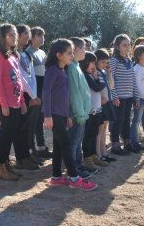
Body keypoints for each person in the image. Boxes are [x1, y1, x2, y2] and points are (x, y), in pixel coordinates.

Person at [44, 39, 97, 191]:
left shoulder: (63, 70)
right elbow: (46, 93)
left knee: (59, 146)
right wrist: (47, 116)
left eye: (73, 52)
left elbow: (65, 96)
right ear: (59, 55)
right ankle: (74, 179)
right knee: (66, 144)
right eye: (69, 53)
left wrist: (67, 115)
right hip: (53, 114)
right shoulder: (53, 70)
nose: (72, 56)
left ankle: (56, 178)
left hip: (61, 114)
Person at [0, 24, 27, 181]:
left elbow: (19, 80)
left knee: (12, 132)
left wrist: (23, 101)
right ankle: (0, 166)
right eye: (10, 35)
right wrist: (3, 103)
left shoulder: (14, 55)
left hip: (16, 101)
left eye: (15, 34)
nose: (14, 37)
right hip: (7, 102)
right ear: (2, 37)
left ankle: (6, 164)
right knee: (5, 134)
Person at [67, 37, 96, 179]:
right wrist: (79, 114)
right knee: (73, 143)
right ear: (77, 50)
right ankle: (72, 169)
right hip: (77, 114)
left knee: (78, 142)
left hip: (82, 114)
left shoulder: (76, 66)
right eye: (84, 48)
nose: (86, 51)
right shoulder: (71, 68)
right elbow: (74, 93)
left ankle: (79, 165)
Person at [15, 25, 43, 168]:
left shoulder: (27, 54)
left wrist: (35, 95)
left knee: (28, 127)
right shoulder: (14, 55)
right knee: (21, 128)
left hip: (32, 94)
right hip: (23, 95)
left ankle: (27, 155)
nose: (28, 36)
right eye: (25, 33)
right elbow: (20, 78)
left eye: (28, 34)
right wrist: (32, 95)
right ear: (17, 35)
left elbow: (32, 77)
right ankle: (20, 158)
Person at [109, 34, 140, 155]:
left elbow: (133, 80)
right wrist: (114, 96)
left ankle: (127, 143)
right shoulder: (114, 61)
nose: (127, 47)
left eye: (128, 45)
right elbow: (109, 79)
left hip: (129, 97)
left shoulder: (129, 61)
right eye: (124, 45)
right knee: (118, 120)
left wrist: (136, 97)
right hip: (119, 97)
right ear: (117, 47)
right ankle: (115, 146)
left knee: (127, 120)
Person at [26, 27, 53, 159]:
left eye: (43, 35)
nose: (42, 38)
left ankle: (41, 148)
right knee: (32, 121)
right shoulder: (27, 52)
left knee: (40, 120)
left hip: (43, 90)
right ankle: (31, 151)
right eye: (38, 35)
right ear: (31, 38)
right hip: (34, 91)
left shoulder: (42, 53)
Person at [79, 52, 108, 169]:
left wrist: (95, 77)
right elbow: (98, 87)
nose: (94, 66)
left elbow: (102, 86)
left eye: (95, 63)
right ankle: (87, 159)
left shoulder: (91, 75)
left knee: (94, 134)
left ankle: (94, 156)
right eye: (92, 63)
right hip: (89, 112)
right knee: (88, 136)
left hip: (97, 110)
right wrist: (96, 78)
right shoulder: (85, 75)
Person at [94, 49, 117, 163]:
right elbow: (95, 88)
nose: (104, 65)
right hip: (100, 104)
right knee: (99, 129)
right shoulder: (94, 72)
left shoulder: (103, 72)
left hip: (107, 102)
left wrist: (109, 72)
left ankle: (104, 153)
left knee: (104, 129)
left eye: (106, 62)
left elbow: (111, 86)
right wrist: (100, 98)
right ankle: (98, 154)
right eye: (102, 62)